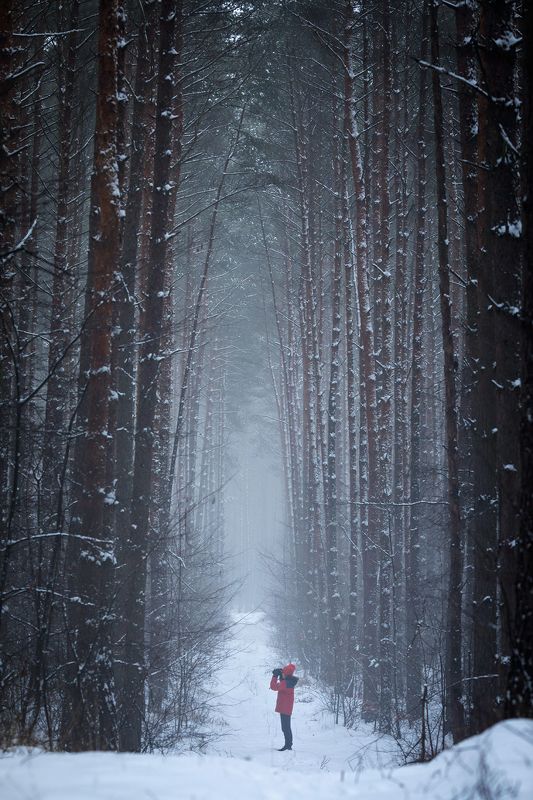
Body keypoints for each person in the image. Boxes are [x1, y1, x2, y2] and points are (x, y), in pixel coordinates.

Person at [270, 663, 298, 751]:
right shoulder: (288, 681)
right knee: (286, 727)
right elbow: (284, 681)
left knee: (285, 727)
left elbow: (273, 687)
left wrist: (275, 676)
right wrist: (282, 675)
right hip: (286, 707)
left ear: (286, 674)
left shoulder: (286, 683)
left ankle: (288, 745)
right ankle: (288, 745)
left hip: (285, 708)